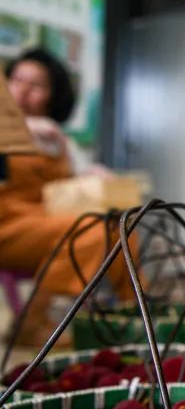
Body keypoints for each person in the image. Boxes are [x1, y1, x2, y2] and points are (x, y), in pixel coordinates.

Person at [0, 48, 130, 325]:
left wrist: (93, 175)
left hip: (45, 221)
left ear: (53, 95)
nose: (22, 91)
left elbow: (74, 180)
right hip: (8, 225)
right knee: (91, 231)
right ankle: (36, 320)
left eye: (35, 85)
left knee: (122, 225)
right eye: (16, 80)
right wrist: (20, 129)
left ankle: (133, 310)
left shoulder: (57, 139)